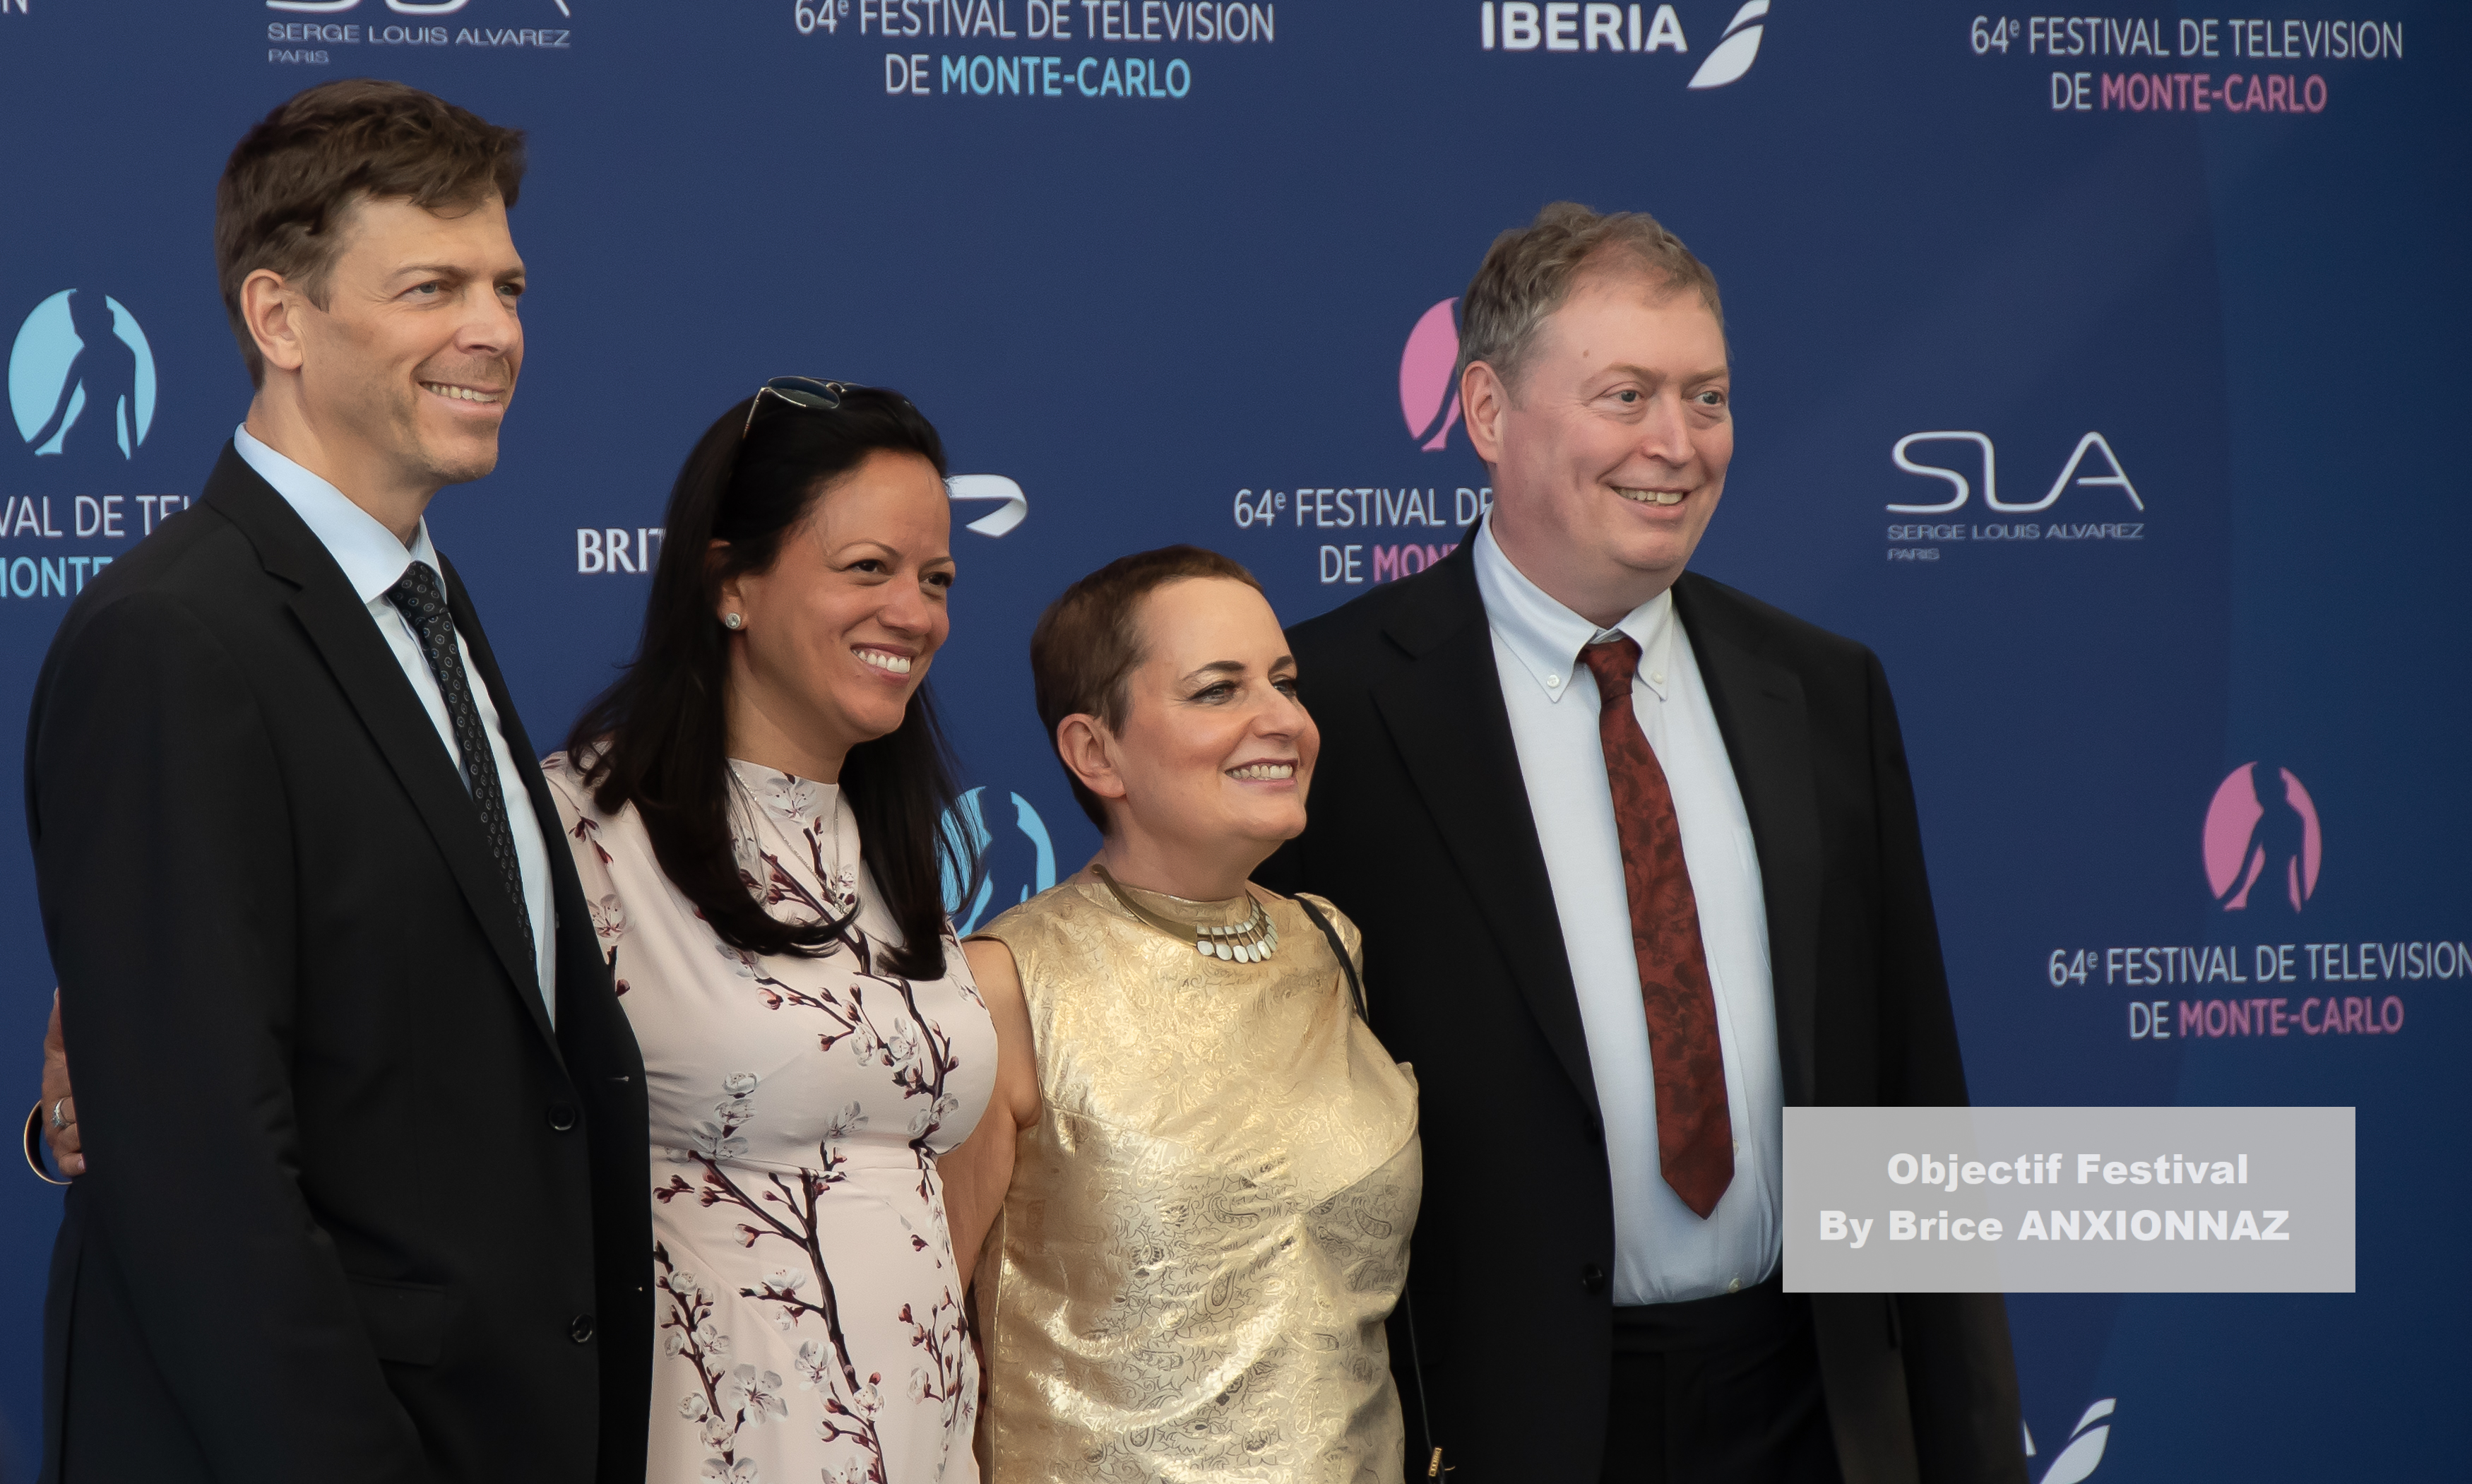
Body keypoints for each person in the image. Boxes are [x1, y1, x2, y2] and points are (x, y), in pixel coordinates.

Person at [1260, 203, 2026, 1483]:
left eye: (1707, 397)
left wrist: (1972, 1449)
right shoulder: (1326, 706)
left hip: (1814, 1415)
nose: (1677, 442)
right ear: (1487, 411)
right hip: (1492, 1428)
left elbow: (1913, 1102)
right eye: (1627, 395)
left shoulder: (1822, 688)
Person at [20, 81, 650, 1483]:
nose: (494, 329)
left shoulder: (422, 601)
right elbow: (201, 1178)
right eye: (432, 287)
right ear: (280, 319)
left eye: (506, 286)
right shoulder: (172, 638)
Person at [543, 381, 994, 1483]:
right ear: (730, 582)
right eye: (868, 568)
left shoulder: (893, 849)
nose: (915, 612)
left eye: (936, 578)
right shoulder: (578, 832)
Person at [941, 547, 1422, 1483]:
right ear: (1095, 752)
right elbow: (917, 1352)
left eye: (1285, 682)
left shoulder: (1330, 946)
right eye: (1218, 690)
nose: (1282, 719)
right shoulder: (1005, 988)